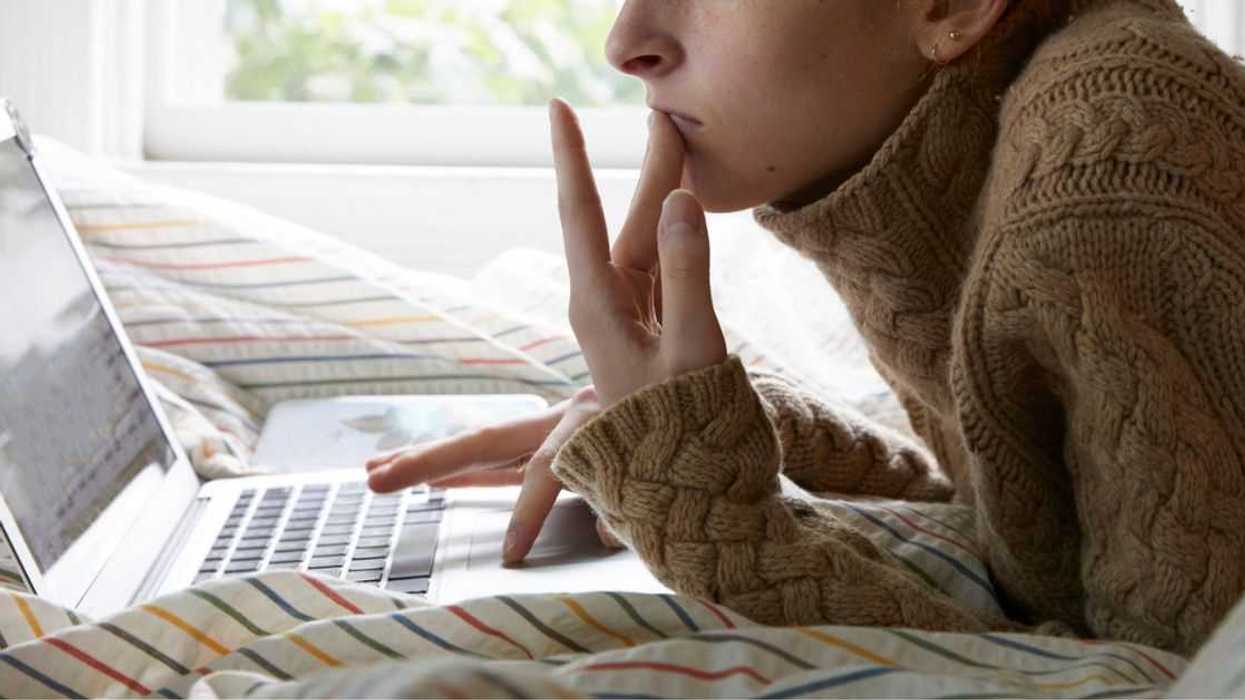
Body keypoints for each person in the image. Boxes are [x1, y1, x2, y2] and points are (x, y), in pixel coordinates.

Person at [367, 0, 1245, 655]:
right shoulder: (948, 143)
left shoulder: (1106, 183)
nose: (627, 40)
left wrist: (689, 500)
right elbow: (1025, 525)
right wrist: (716, 431)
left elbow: (1161, 673)